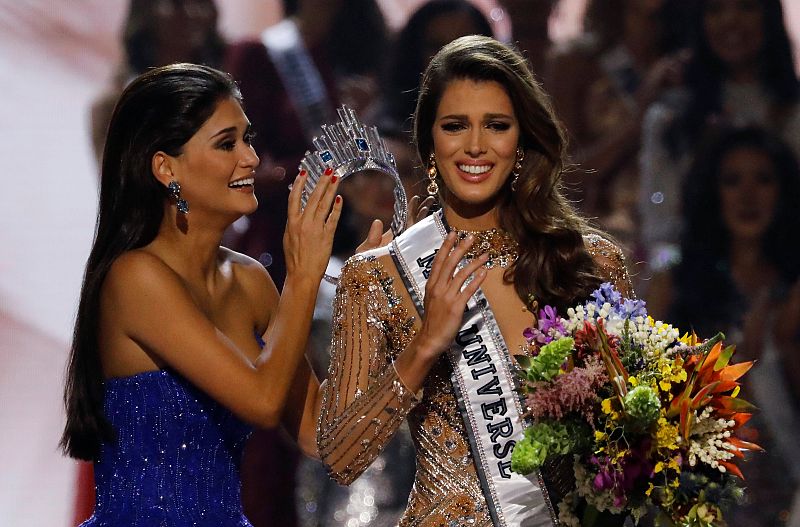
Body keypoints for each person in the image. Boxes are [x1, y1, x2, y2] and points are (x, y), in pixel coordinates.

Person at [317, 35, 633, 526]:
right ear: (429, 144)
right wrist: (424, 347)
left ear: (523, 142)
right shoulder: (377, 278)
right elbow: (340, 458)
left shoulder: (590, 263)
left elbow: (634, 441)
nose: (476, 146)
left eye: (497, 126)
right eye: (455, 126)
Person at [61, 63, 342, 526]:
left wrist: (385, 317)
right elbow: (263, 401)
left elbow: (318, 431)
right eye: (227, 143)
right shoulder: (134, 279)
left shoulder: (250, 281)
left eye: (247, 139)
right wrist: (303, 277)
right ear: (166, 167)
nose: (251, 158)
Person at [645, 126, 800, 526]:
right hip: (696, 488)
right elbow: (646, 395)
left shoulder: (793, 288)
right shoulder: (676, 284)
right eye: (732, 181)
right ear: (713, 193)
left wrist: (782, 344)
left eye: (763, 180)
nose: (748, 196)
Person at [639, 0, 800, 274]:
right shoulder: (671, 118)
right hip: (694, 291)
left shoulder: (794, 114)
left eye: (746, 7)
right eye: (715, 9)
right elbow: (660, 235)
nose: (731, 21)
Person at [90, 0, 226, 164]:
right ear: (145, 12)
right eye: (177, 4)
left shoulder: (233, 88)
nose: (192, 13)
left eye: (199, 2)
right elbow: (118, 183)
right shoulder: (113, 107)